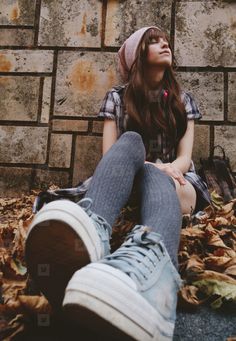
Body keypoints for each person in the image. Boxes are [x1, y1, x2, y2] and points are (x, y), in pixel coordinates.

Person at [25, 26, 211, 340]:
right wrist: (150, 165)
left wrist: (163, 169)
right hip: (129, 177)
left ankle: (155, 280)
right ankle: (92, 234)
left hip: (176, 182)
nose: (164, 42)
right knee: (131, 140)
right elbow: (112, 157)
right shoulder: (117, 98)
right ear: (136, 55)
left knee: (157, 176)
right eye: (153, 41)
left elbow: (184, 158)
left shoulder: (181, 99)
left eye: (165, 39)